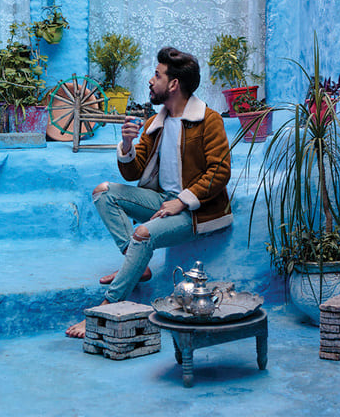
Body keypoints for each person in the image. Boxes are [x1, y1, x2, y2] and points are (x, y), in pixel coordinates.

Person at [64, 47, 232, 338]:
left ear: (174, 84)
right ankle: (136, 263)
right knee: (103, 193)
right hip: (161, 201)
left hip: (195, 212)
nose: (151, 81)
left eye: (157, 75)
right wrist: (127, 147)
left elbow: (220, 171)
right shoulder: (156, 122)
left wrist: (182, 202)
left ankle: (107, 305)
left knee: (143, 233)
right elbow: (133, 172)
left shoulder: (208, 120)